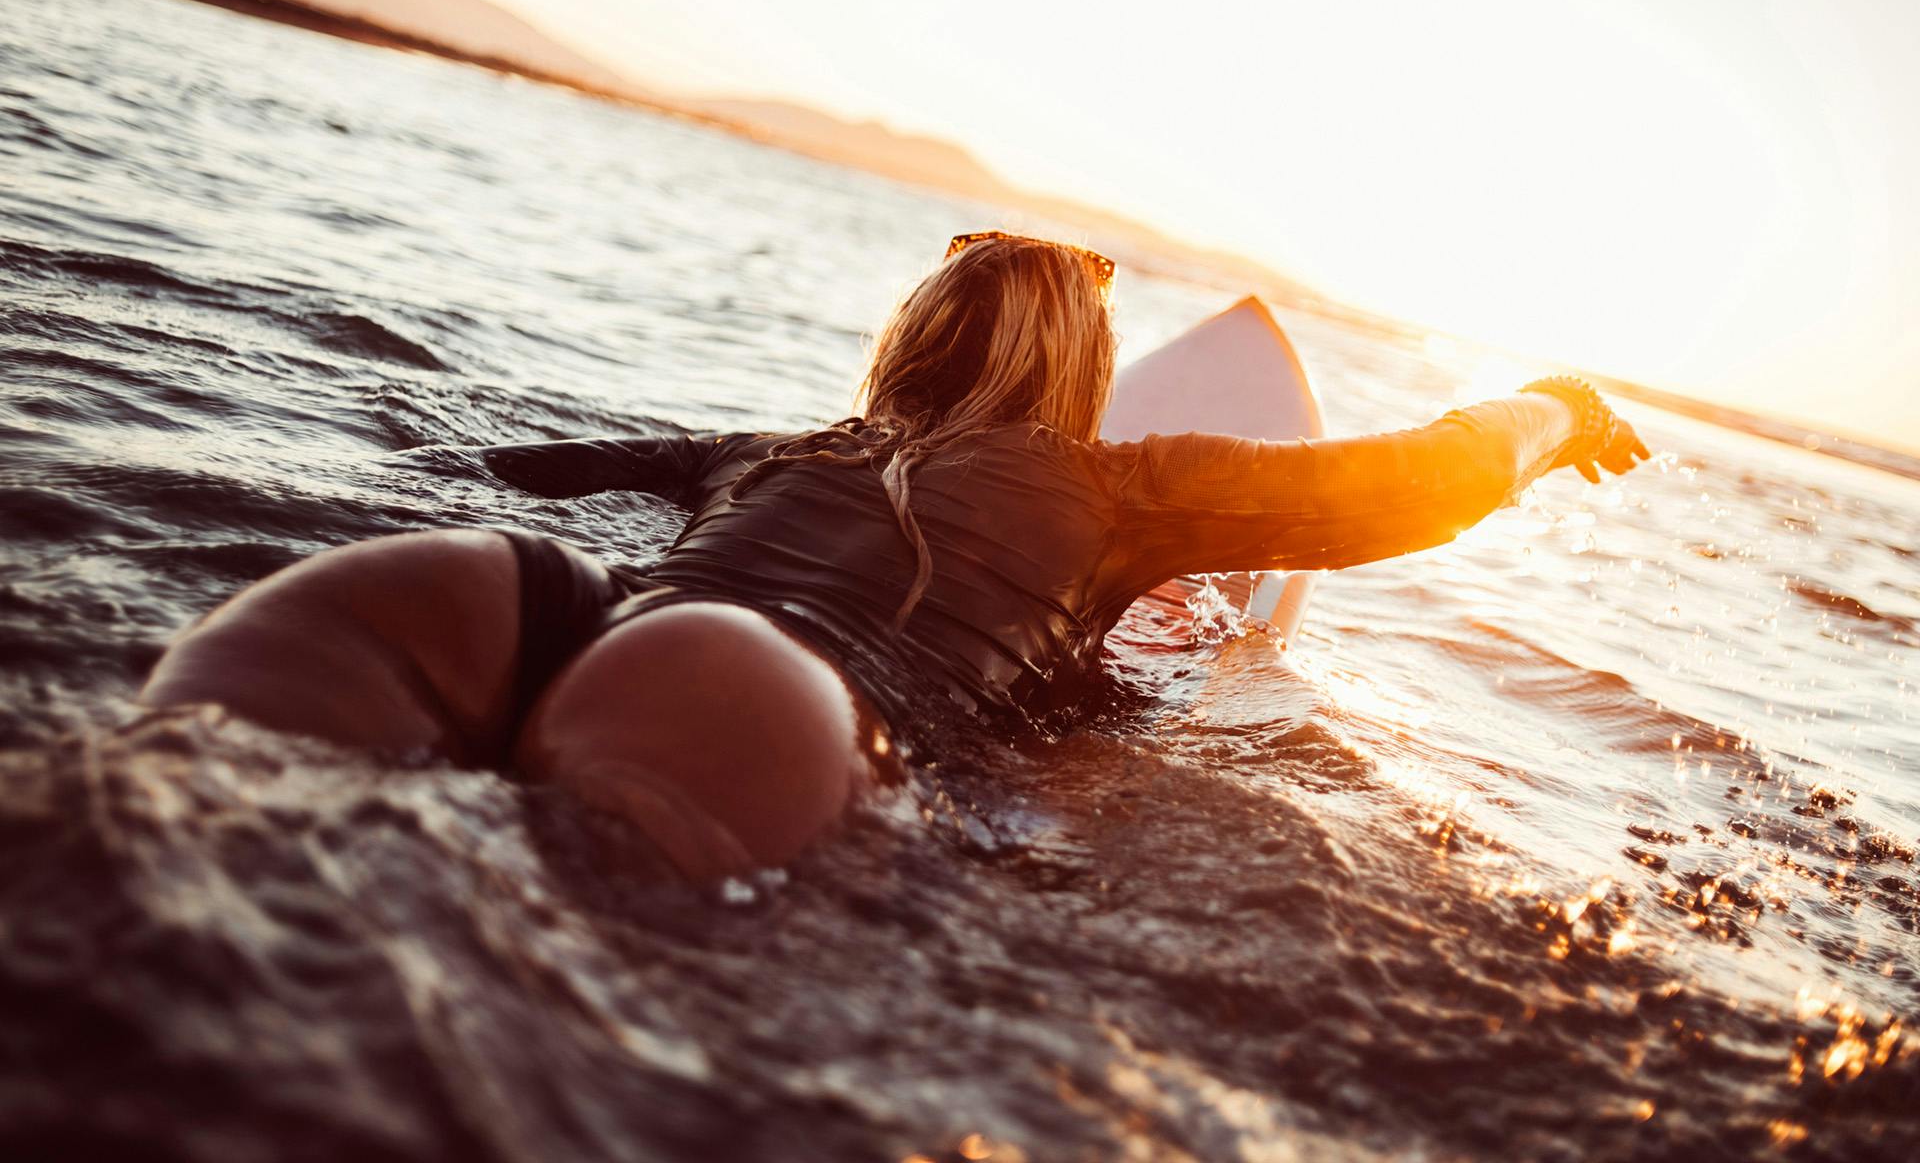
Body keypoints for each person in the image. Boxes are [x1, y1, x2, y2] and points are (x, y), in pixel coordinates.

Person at [141, 232, 1649, 879]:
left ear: (909, 344)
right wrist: (1552, 407)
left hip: (502, 590)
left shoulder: (773, 452)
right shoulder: (1130, 485)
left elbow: (534, 467)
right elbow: (1404, 488)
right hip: (757, 698)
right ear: (1085, 371)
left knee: (164, 815)